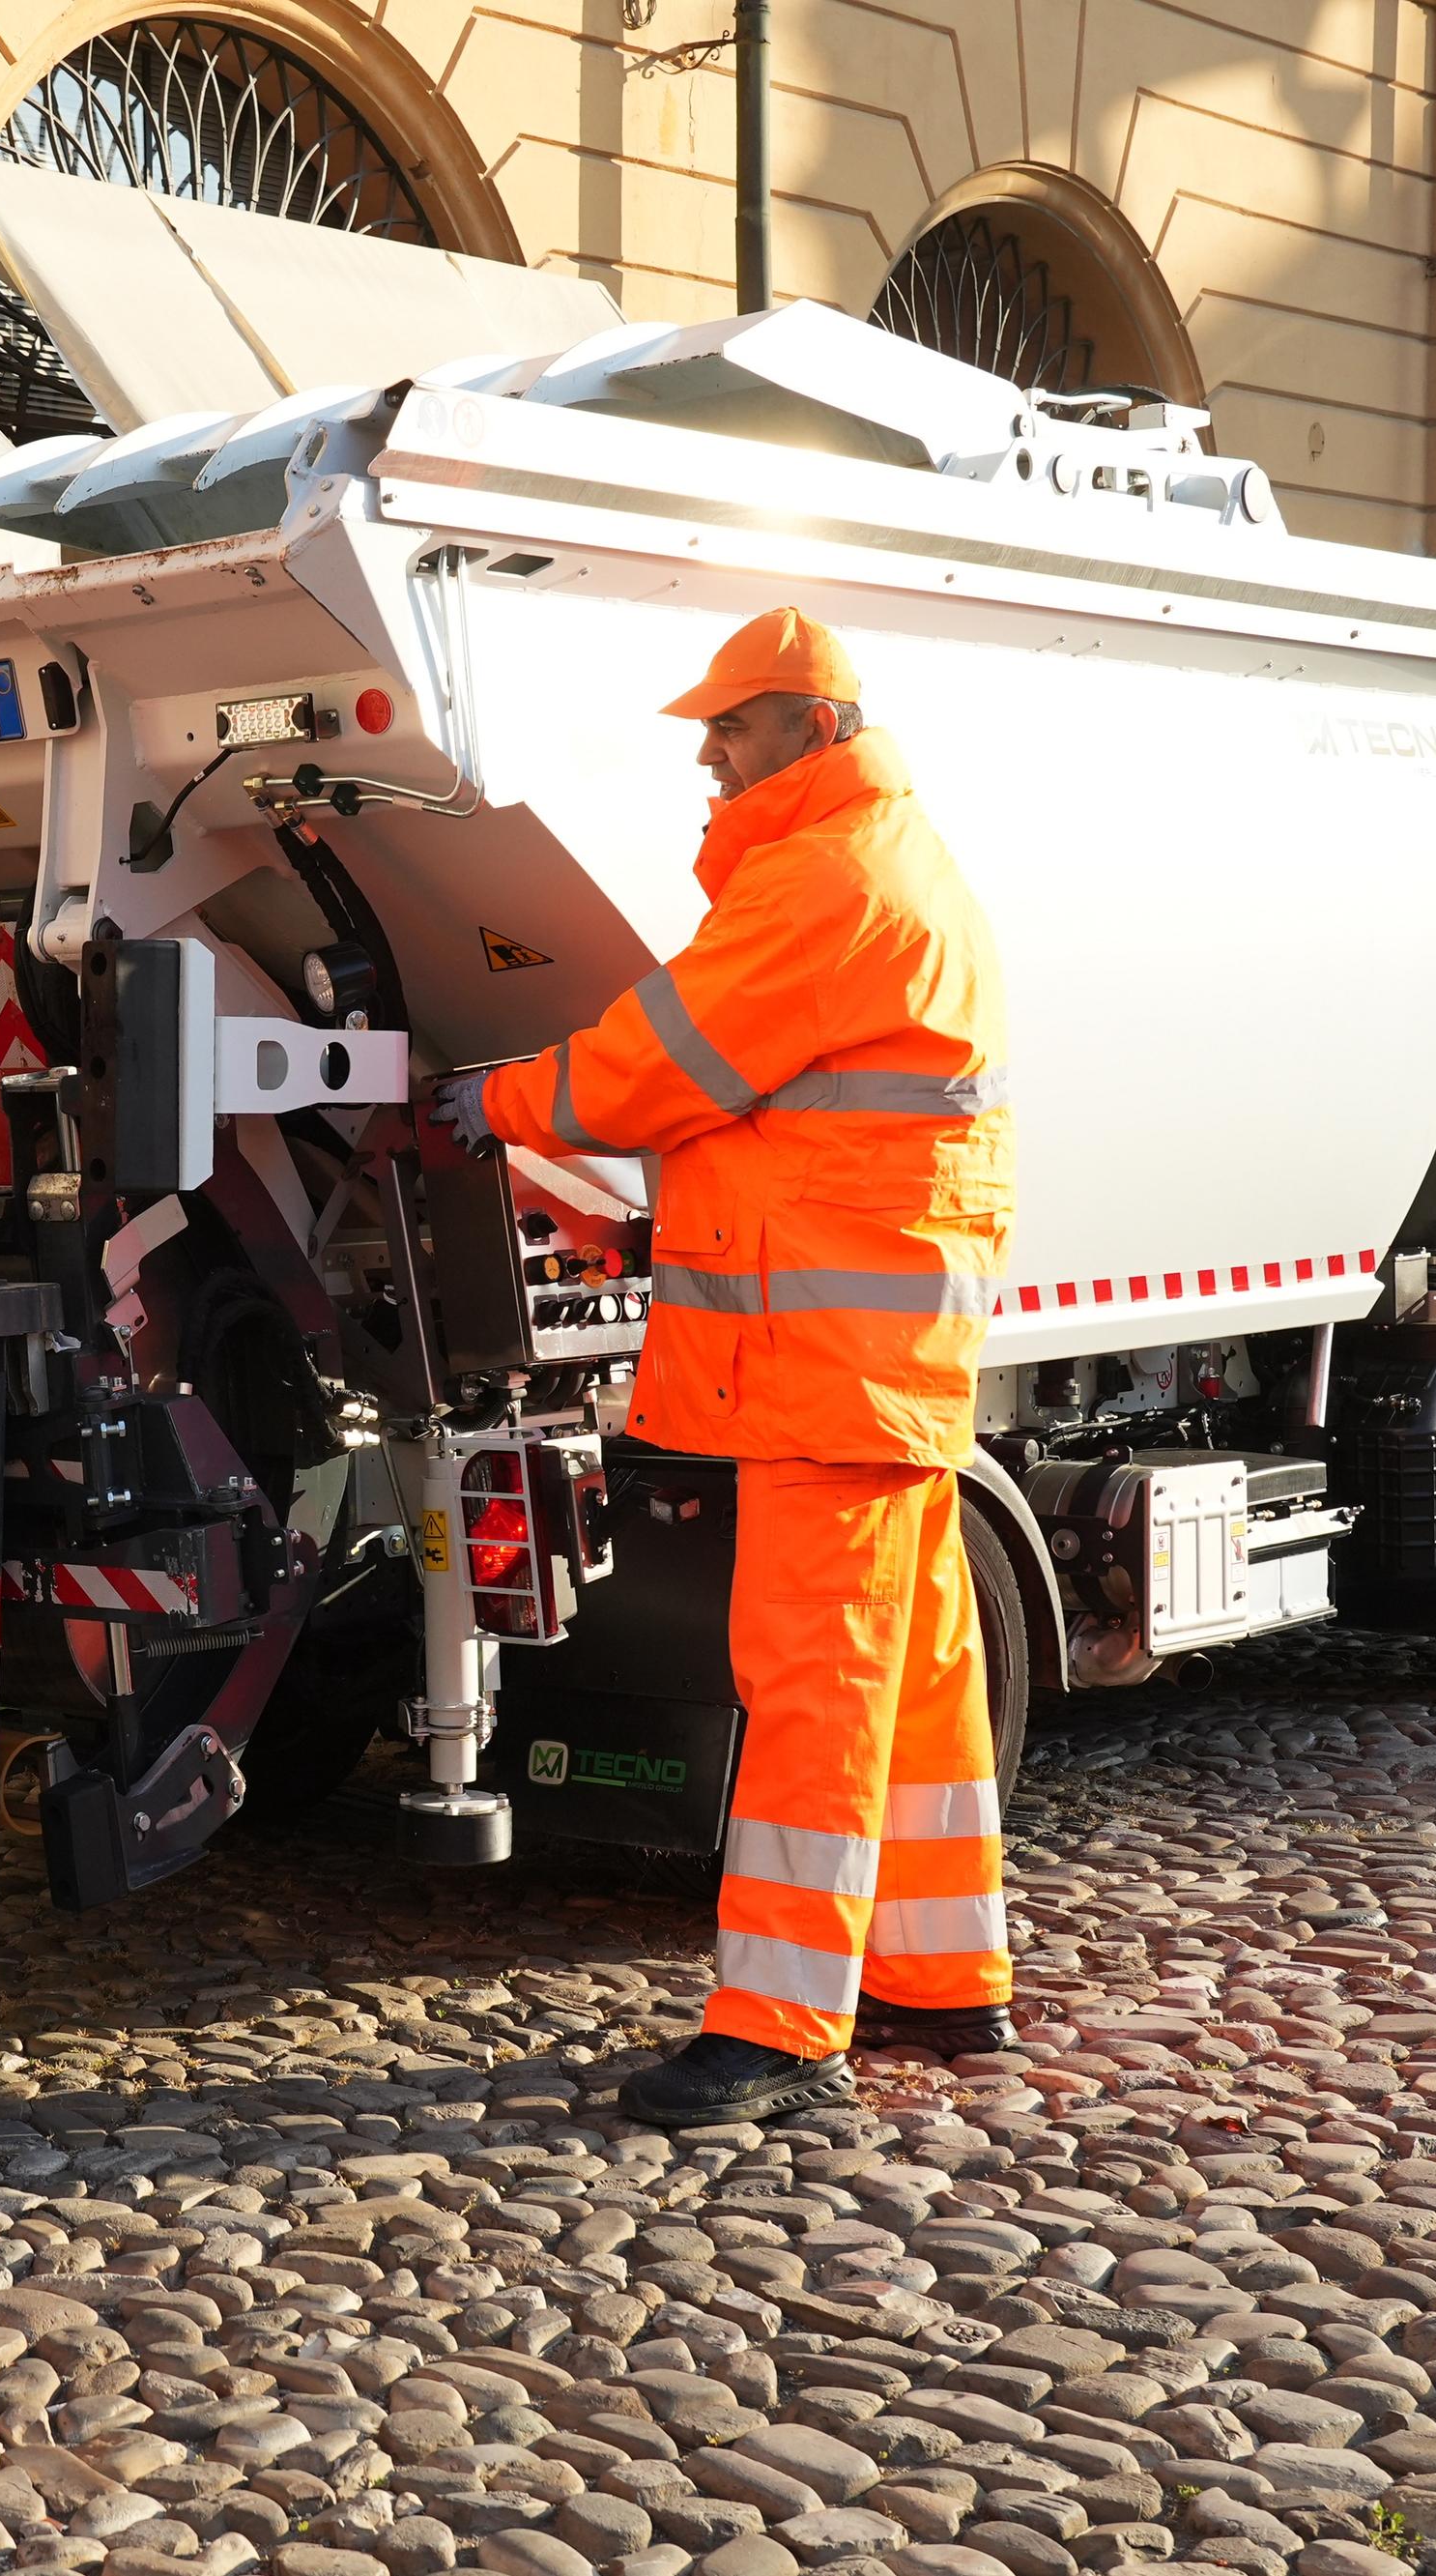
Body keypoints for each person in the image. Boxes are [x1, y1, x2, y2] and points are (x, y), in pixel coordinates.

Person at [436, 608, 1018, 2128]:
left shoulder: (823, 879)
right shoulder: (889, 859)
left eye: (735, 725)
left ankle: (777, 2022)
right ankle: (946, 1978)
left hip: (828, 1364)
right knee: (919, 1677)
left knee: (816, 1685)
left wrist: (495, 1100)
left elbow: (657, 1064)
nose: (708, 750)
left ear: (814, 730)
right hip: (878, 1358)